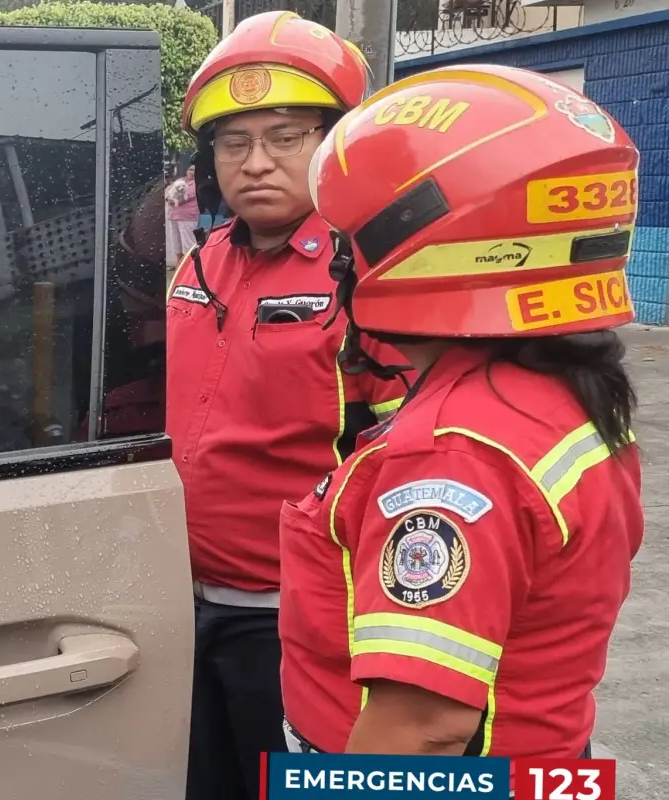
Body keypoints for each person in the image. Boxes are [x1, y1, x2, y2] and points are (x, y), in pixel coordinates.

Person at [277, 64, 644, 774]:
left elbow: (423, 728)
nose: (339, 262)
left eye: (349, 241)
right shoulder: (562, 390)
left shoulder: (450, 451)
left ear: (415, 247)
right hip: (545, 762)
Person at [166, 12, 409, 799]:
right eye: (233, 143)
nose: (255, 162)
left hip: (300, 623)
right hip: (175, 603)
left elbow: (409, 455)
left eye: (285, 137)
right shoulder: (199, 264)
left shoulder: (370, 279)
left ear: (335, 145)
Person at [165, 164, 197, 268]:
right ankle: (179, 265)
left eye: (194, 170)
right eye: (190, 169)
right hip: (173, 215)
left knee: (188, 243)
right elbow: (168, 191)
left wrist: (172, 200)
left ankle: (189, 267)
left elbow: (185, 198)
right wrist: (168, 198)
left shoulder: (196, 184)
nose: (191, 172)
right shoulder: (180, 180)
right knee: (176, 242)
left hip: (187, 217)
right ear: (187, 170)